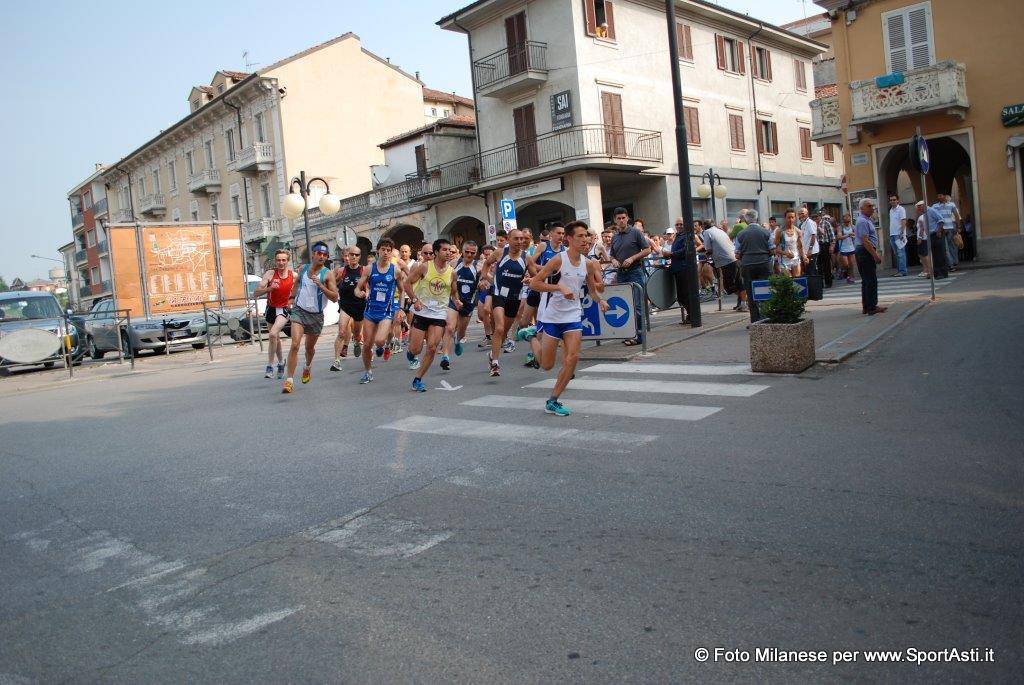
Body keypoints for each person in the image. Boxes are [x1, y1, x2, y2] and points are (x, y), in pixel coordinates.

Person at [518, 221, 608, 416]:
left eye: (587, 236)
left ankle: (553, 400)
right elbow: (534, 283)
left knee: (573, 357)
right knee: (547, 365)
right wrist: (559, 287)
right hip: (552, 316)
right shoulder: (558, 260)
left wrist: (600, 301)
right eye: (580, 236)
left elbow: (591, 291)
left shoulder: (589, 264)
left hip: (573, 315)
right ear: (569, 239)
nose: (585, 240)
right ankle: (532, 336)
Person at [282, 242, 338, 394]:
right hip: (299, 311)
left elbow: (334, 297)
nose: (321, 256)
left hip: (316, 316)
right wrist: (291, 298)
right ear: (313, 254)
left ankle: (307, 366)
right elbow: (297, 283)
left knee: (309, 348)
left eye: (325, 255)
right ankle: (289, 381)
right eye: (319, 253)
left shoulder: (327, 274)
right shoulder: (303, 269)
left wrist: (321, 286)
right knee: (295, 344)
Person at [403, 238, 458, 392]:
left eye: (450, 250)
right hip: (422, 311)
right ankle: (410, 352)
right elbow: (407, 283)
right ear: (436, 252)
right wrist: (415, 300)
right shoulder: (425, 267)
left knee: (432, 347)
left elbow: (453, 290)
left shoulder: (452, 273)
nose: (448, 253)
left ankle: (418, 379)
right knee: (416, 349)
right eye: (444, 250)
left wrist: (457, 300)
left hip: (439, 313)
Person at [354, 237, 405, 385]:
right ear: (378, 251)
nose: (386, 253)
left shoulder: (395, 270)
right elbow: (358, 287)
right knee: (367, 345)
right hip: (370, 311)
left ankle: (386, 345)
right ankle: (368, 372)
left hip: (386, 312)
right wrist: (359, 293)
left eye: (389, 250)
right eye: (383, 250)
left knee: (379, 341)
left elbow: (402, 291)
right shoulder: (370, 269)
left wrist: (401, 308)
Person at [483, 228, 529, 377]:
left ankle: (491, 354)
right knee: (500, 328)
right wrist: (486, 277)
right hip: (498, 294)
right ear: (508, 240)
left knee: (503, 333)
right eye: (516, 239)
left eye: (522, 239)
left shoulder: (526, 258)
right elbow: (486, 264)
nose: (520, 241)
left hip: (514, 298)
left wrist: (533, 280)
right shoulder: (500, 253)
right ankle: (495, 363)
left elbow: (536, 275)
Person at [609, 207, 650, 346]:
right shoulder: (614, 236)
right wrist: (613, 260)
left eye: (623, 218)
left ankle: (639, 336)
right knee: (626, 305)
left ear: (627, 218)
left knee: (637, 305)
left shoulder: (636, 232)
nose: (621, 220)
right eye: (618, 218)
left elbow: (647, 250)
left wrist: (632, 258)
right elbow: (612, 254)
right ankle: (629, 333)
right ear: (615, 220)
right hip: (621, 273)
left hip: (635, 271)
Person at [252, 249, 294, 379]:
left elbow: (301, 289)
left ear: (288, 261)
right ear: (275, 261)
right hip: (271, 308)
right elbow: (256, 293)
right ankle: (281, 362)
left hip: (284, 309)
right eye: (278, 260)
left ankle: (270, 365)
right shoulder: (270, 274)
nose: (281, 263)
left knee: (272, 333)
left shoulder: (294, 275)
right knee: (275, 338)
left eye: (283, 260)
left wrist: (292, 301)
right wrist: (270, 288)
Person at [441, 241, 480, 368]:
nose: (469, 255)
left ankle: (458, 341)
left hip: (468, 305)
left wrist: (484, 282)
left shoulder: (478, 267)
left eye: (472, 253)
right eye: (467, 252)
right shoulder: (454, 264)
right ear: (462, 251)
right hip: (453, 300)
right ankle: (445, 356)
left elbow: (485, 278)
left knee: (461, 333)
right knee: (450, 327)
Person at [329, 246, 365, 372]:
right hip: (345, 305)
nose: (353, 257)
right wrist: (333, 290)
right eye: (351, 254)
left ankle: (356, 341)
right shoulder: (341, 271)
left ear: (359, 256)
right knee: (341, 332)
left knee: (356, 333)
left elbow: (369, 287)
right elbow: (331, 282)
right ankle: (337, 361)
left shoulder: (364, 271)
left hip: (359, 306)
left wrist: (366, 294)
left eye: (356, 255)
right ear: (347, 256)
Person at [735, 210, 772, 324]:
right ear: (757, 218)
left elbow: (737, 254)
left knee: (750, 292)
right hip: (763, 264)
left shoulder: (740, 234)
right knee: (764, 289)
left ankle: (755, 319)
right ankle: (765, 316)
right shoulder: (766, 232)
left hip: (747, 265)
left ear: (746, 220)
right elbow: (772, 249)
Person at [701, 218, 744, 312]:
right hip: (734, 257)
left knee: (729, 286)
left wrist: (704, 254)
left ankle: (745, 302)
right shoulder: (719, 230)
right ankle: (741, 303)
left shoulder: (707, 232)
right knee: (738, 283)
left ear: (704, 226)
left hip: (726, 260)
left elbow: (708, 248)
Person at [854, 198, 887, 316]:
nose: (872, 208)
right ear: (862, 208)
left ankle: (867, 306)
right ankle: (871, 306)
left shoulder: (866, 220)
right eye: (869, 206)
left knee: (867, 280)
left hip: (863, 251)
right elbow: (865, 241)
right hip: (865, 251)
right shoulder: (862, 221)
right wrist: (876, 255)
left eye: (873, 205)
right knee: (871, 280)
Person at [662, 217, 693, 323]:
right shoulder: (678, 236)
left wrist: (671, 254)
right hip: (677, 268)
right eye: (677, 224)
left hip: (684, 268)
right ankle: (690, 315)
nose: (679, 226)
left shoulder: (686, 235)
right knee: (681, 295)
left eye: (681, 224)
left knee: (684, 294)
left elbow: (686, 250)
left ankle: (692, 315)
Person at [919, 200, 948, 279]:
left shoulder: (931, 210)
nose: (919, 209)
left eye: (919, 207)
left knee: (940, 254)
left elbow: (941, 220)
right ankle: (936, 273)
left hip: (937, 234)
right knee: (934, 255)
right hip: (931, 235)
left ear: (923, 205)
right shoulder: (925, 214)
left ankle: (942, 273)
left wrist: (938, 231)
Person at [933, 193, 962, 272]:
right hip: (943, 229)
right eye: (938, 196)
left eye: (940, 195)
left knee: (953, 246)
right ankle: (951, 264)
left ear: (945, 196)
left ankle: (954, 262)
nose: (939, 197)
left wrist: (958, 227)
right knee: (946, 248)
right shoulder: (935, 206)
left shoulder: (951, 204)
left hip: (951, 228)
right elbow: (933, 216)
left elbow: (956, 215)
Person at [775, 210, 805, 277]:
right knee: (788, 281)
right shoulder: (779, 231)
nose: (790, 220)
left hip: (795, 259)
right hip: (784, 260)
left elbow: (800, 246)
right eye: (788, 217)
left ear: (795, 218)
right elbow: (776, 249)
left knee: (797, 281)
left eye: (792, 217)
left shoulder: (798, 231)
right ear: (785, 218)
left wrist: (804, 257)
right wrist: (785, 253)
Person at [887, 195, 908, 277]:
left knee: (901, 253)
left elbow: (903, 220)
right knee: (896, 254)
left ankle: (903, 271)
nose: (892, 201)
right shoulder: (891, 210)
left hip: (899, 234)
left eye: (894, 200)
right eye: (891, 200)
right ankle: (899, 270)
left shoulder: (901, 209)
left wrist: (902, 233)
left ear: (897, 201)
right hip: (892, 234)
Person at [798, 206, 819, 276]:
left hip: (812, 251)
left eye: (802, 213)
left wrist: (810, 249)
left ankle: (815, 286)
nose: (801, 215)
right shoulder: (802, 224)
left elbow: (813, 235)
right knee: (808, 271)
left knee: (811, 271)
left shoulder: (810, 222)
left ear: (807, 213)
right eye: (799, 214)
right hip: (806, 252)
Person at [837, 214, 857, 283]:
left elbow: (856, 236)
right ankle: (843, 270)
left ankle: (850, 277)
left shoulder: (853, 227)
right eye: (845, 217)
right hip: (843, 248)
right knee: (846, 264)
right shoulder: (841, 227)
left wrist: (853, 236)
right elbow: (839, 237)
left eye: (848, 217)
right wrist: (848, 235)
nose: (847, 218)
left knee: (851, 264)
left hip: (851, 247)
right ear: (843, 219)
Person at [817, 212, 836, 287]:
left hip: (825, 245)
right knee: (818, 265)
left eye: (817, 217)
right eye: (814, 217)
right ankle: (820, 283)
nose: (816, 219)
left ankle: (828, 282)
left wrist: (832, 246)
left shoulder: (826, 223)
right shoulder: (812, 224)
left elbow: (832, 236)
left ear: (820, 217)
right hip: (816, 246)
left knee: (826, 265)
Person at [914, 201, 932, 278]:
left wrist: (920, 238)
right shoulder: (923, 216)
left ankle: (927, 270)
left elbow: (922, 228)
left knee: (924, 255)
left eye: (919, 207)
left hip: (923, 238)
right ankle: (925, 269)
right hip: (924, 237)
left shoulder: (922, 217)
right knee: (921, 254)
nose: (917, 208)